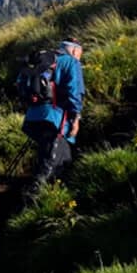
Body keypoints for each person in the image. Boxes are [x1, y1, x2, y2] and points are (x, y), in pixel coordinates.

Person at [21, 39, 85, 193]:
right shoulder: (71, 62)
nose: (79, 59)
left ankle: (48, 197)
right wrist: (76, 118)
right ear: (75, 51)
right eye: (80, 55)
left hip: (33, 117)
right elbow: (75, 91)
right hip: (56, 119)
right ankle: (34, 197)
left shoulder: (41, 62)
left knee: (56, 159)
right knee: (54, 163)